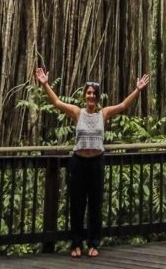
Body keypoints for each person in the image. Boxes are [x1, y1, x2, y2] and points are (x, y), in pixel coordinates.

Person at [34, 67, 150, 258]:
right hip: (78, 163)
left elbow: (122, 106)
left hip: (96, 163)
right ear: (84, 95)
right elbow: (56, 102)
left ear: (97, 97)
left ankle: (94, 243)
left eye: (93, 94)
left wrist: (137, 90)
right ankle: (76, 244)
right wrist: (45, 84)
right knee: (77, 205)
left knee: (95, 205)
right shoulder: (77, 112)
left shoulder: (103, 114)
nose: (91, 96)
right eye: (88, 93)